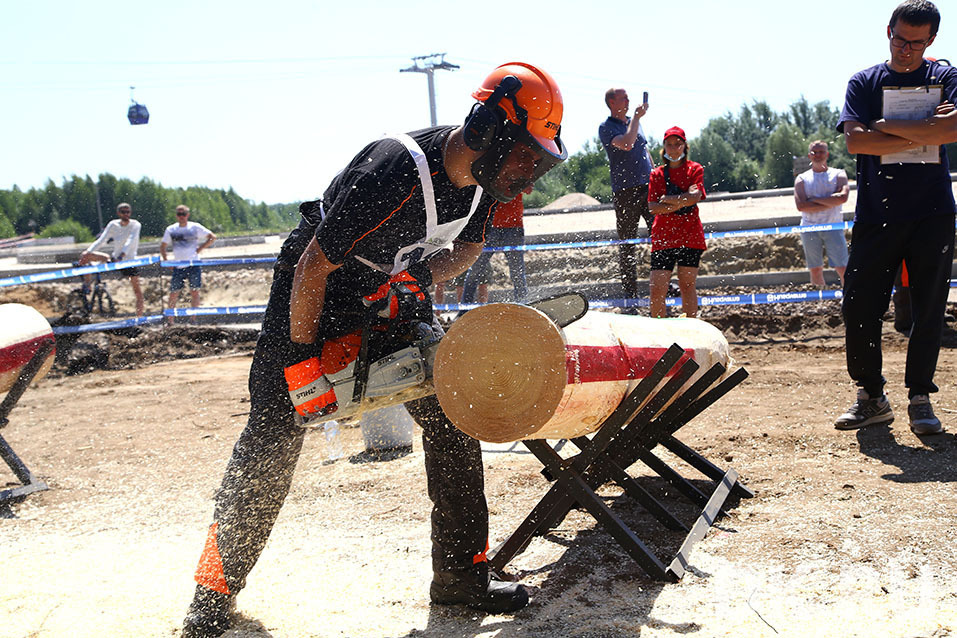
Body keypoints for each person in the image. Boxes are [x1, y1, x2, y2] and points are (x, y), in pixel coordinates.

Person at [182, 62, 568, 637]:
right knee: (273, 436)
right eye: (528, 158)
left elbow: (465, 251)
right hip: (315, 298)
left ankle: (462, 577)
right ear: (492, 131)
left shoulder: (488, 187)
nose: (531, 175)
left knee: (453, 407)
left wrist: (414, 281)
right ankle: (212, 595)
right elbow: (313, 266)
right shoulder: (395, 171)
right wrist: (302, 360)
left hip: (391, 292)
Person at [834, 0, 957, 435]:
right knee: (860, 305)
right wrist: (923, 129)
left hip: (933, 213)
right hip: (877, 213)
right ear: (888, 30)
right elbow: (856, 144)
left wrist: (884, 129)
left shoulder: (945, 76)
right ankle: (870, 396)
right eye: (900, 38)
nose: (906, 48)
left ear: (932, 40)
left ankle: (920, 397)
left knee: (928, 309)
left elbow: (951, 132)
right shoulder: (864, 82)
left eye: (917, 42)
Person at [599, 88, 654, 301]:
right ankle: (630, 294)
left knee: (659, 237)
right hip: (625, 192)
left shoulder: (634, 122)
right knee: (627, 244)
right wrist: (637, 119)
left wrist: (657, 176)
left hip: (647, 187)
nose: (629, 101)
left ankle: (662, 284)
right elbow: (627, 144)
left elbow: (644, 152)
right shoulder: (606, 127)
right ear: (612, 102)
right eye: (624, 98)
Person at [646, 126, 706, 318]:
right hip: (663, 237)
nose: (674, 148)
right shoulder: (657, 174)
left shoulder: (695, 169)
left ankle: (691, 332)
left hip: (690, 235)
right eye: (669, 145)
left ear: (684, 146)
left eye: (678, 144)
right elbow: (653, 207)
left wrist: (668, 199)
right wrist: (683, 201)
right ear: (664, 147)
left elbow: (695, 196)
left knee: (687, 286)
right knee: (657, 289)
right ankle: (658, 335)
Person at [793, 140, 850, 288]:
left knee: (843, 267)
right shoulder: (802, 179)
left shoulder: (838, 174)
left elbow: (843, 198)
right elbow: (801, 206)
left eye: (821, 152)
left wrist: (814, 200)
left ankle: (849, 300)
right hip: (809, 228)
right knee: (815, 269)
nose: (818, 155)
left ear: (827, 154)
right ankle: (821, 300)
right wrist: (831, 200)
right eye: (814, 152)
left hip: (834, 227)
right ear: (809, 155)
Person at [461, 191, 530, 304]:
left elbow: (528, 188)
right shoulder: (489, 175)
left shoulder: (520, 175)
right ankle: (464, 308)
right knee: (475, 269)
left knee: (517, 271)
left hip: (512, 228)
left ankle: (523, 306)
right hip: (491, 226)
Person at [77, 201, 145, 316]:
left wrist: (122, 255)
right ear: (118, 213)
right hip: (114, 259)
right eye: (123, 212)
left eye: (128, 212)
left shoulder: (135, 224)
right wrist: (88, 251)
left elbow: (131, 241)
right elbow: (102, 240)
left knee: (137, 291)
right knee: (86, 256)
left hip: (129, 261)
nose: (126, 214)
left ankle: (139, 318)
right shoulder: (113, 224)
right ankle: (87, 285)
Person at [160, 205, 216, 315]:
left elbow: (212, 237)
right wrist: (166, 261)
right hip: (178, 265)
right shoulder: (171, 229)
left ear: (188, 215)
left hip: (194, 264)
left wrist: (200, 249)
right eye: (179, 214)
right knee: (174, 293)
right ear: (176, 216)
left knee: (195, 292)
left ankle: (194, 319)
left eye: (183, 214)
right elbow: (163, 246)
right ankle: (170, 320)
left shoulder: (194, 227)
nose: (181, 217)